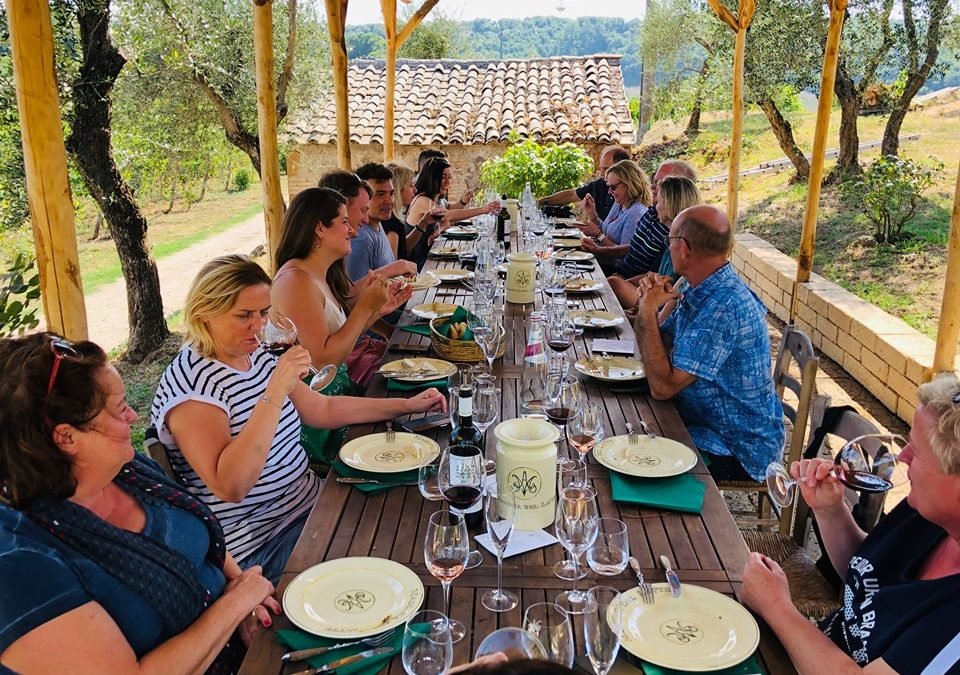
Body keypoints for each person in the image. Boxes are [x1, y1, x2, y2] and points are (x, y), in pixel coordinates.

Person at [150, 255, 446, 584]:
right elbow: (230, 485)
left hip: (312, 502)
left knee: (415, 509)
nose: (258, 326)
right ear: (204, 314)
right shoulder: (194, 386)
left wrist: (405, 405)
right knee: (396, 555)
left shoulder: (253, 352)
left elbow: (323, 409)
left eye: (263, 313)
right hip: (263, 543)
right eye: (244, 315)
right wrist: (275, 392)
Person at [0, 333, 279, 673]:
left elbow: (200, 542)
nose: (133, 415)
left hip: (242, 643)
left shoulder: (125, 471)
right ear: (67, 437)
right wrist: (235, 604)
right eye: (119, 410)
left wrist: (244, 593)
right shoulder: (20, 563)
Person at [742, 374, 960, 674]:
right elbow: (870, 579)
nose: (903, 456)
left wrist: (777, 608)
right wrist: (830, 510)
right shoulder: (931, 514)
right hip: (809, 647)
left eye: (918, 452)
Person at [633, 205, 784, 483]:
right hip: (699, 421)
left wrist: (645, 313)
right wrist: (649, 306)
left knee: (632, 457)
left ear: (684, 249)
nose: (668, 248)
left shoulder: (724, 306)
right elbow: (659, 344)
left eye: (670, 241)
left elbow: (662, 387)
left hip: (736, 447)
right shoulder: (697, 285)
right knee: (626, 425)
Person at [271, 188, 412, 458]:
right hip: (319, 418)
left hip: (338, 395)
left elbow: (339, 341)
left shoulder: (317, 274)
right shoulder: (295, 282)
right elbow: (323, 364)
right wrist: (363, 309)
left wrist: (377, 311)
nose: (353, 231)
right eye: (344, 222)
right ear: (319, 229)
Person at [609, 175, 701, 311]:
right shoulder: (670, 238)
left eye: (659, 201)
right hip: (649, 294)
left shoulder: (683, 246)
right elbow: (651, 275)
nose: (654, 206)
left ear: (669, 205)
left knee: (614, 284)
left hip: (661, 307)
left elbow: (672, 293)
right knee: (612, 284)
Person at [406, 157, 499, 268]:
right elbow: (448, 216)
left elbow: (449, 209)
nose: (448, 182)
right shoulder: (422, 200)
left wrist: (462, 201)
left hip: (430, 255)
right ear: (431, 178)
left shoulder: (436, 198)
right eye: (443, 177)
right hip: (418, 263)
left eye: (449, 177)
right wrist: (483, 210)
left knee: (469, 260)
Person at [612, 159, 698, 280]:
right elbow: (634, 249)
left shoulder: (675, 236)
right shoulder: (653, 211)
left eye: (661, 183)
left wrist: (618, 284)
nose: (652, 187)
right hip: (624, 276)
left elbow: (661, 281)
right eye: (654, 181)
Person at [578, 159, 652, 255]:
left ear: (629, 185)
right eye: (608, 186)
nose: (609, 192)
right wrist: (593, 216)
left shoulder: (636, 213)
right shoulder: (619, 203)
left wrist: (598, 235)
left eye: (613, 187)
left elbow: (625, 254)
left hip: (614, 268)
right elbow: (607, 231)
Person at [537, 145, 630, 222]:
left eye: (606, 169)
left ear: (622, 169)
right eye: (601, 168)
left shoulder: (631, 201)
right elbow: (572, 195)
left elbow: (624, 242)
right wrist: (538, 203)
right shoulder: (600, 184)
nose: (602, 174)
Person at [346, 163, 403, 282]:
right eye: (380, 194)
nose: (389, 201)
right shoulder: (362, 239)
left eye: (391, 194)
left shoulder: (377, 223)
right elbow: (354, 294)